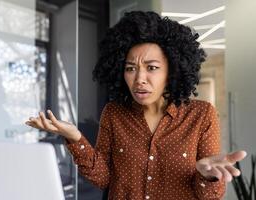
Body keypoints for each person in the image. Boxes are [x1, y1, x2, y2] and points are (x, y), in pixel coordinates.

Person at [25, 11, 247, 200]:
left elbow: (210, 196)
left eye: (151, 68)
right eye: (130, 68)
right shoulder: (114, 113)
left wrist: (207, 176)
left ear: (171, 71)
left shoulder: (201, 115)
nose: (139, 78)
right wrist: (75, 137)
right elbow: (104, 178)